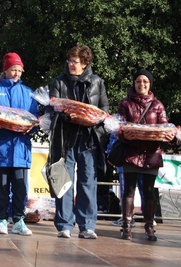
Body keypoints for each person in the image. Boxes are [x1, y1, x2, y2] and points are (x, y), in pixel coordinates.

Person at [48, 45, 109, 239]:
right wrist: (62, 116)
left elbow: (104, 109)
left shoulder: (97, 82)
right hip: (65, 139)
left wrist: (97, 120)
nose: (71, 64)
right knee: (64, 182)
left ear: (85, 63)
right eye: (69, 60)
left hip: (89, 140)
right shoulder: (58, 82)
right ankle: (64, 225)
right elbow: (50, 110)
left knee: (87, 182)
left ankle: (87, 226)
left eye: (75, 61)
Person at [0, 52, 40, 235]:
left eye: (20, 70)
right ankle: (2, 220)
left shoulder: (29, 93)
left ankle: (19, 221)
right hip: (0, 149)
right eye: (13, 69)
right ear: (5, 70)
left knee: (21, 188)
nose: (16, 74)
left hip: (21, 149)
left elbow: (35, 120)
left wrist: (34, 127)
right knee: (1, 188)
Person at [116, 69, 175, 241]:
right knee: (129, 190)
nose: (142, 84)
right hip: (130, 152)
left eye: (145, 81)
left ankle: (149, 226)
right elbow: (119, 128)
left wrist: (170, 136)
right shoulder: (125, 104)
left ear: (150, 84)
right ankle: (126, 227)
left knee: (149, 192)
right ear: (134, 83)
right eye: (138, 81)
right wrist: (124, 134)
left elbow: (163, 127)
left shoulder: (157, 105)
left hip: (151, 154)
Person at [106, 134, 144, 227]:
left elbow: (114, 138)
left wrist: (110, 153)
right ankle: (149, 218)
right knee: (145, 189)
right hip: (144, 158)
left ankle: (127, 218)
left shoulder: (120, 121)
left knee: (126, 191)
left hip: (125, 158)